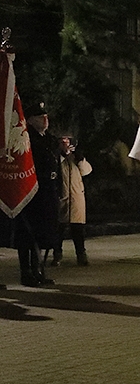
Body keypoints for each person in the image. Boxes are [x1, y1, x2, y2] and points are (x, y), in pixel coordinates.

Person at [17, 103, 60, 287]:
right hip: (33, 192)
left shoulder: (50, 139)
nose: (45, 119)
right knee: (28, 234)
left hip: (49, 191)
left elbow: (56, 166)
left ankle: (39, 270)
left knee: (44, 233)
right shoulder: (27, 140)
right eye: (40, 116)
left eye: (46, 116)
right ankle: (27, 273)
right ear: (30, 120)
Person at [52, 134, 92, 267]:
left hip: (76, 198)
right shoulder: (56, 159)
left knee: (78, 230)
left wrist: (80, 159)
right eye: (62, 141)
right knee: (59, 230)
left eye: (67, 141)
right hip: (61, 198)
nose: (65, 144)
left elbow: (86, 171)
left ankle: (81, 254)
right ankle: (57, 254)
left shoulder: (75, 158)